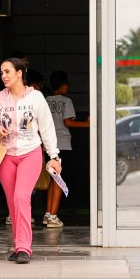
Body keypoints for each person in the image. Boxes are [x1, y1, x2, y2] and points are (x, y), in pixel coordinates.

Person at [0, 57, 61, 264]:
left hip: (30, 153)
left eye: (7, 71)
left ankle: (24, 247)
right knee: (12, 202)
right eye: (1, 72)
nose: (3, 76)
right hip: (5, 155)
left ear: (19, 73)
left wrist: (54, 156)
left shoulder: (36, 97)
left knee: (21, 197)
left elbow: (47, 128)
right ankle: (19, 246)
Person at [44, 70, 89, 229]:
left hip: (47, 144)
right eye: (67, 85)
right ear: (62, 86)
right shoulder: (66, 101)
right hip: (62, 143)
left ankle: (48, 213)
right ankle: (53, 216)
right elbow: (68, 122)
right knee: (59, 179)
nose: (68, 88)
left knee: (52, 179)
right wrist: (88, 124)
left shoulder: (44, 100)